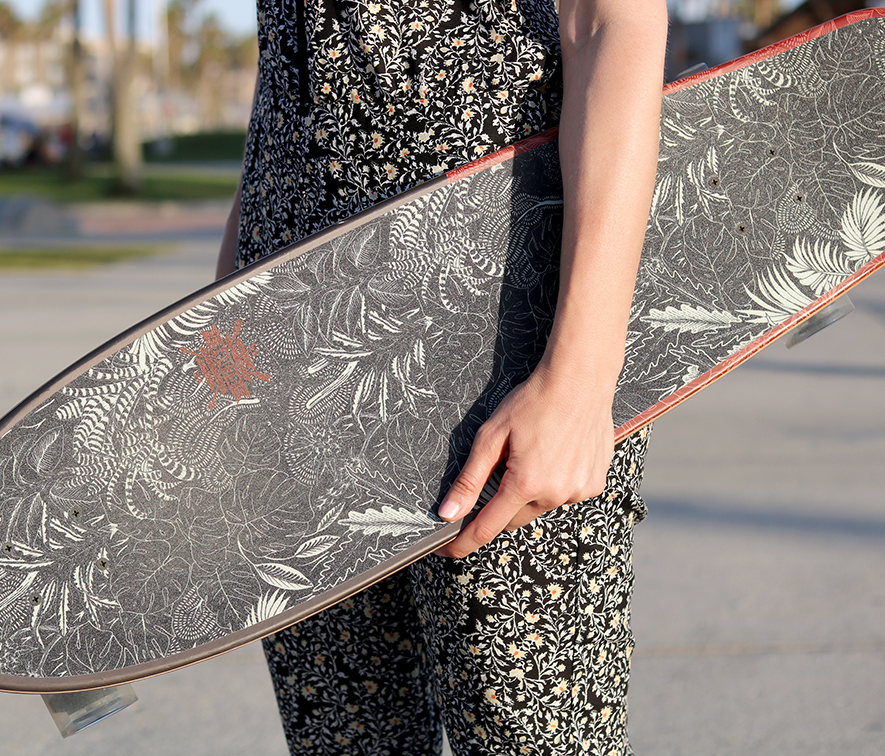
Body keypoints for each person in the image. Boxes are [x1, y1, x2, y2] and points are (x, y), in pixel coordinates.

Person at [215, 0, 668, 753]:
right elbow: (289, 74)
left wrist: (581, 378)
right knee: (345, 731)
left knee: (526, 730)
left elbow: (610, 20)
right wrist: (217, 346)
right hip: (292, 344)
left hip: (494, 326)